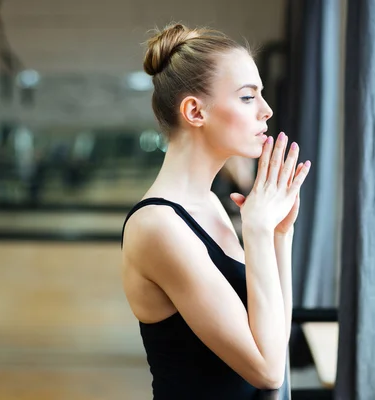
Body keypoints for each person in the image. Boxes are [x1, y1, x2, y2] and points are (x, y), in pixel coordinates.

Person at [120, 23, 311, 400]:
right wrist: (255, 231)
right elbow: (268, 371)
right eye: (247, 97)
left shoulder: (208, 204)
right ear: (194, 111)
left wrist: (278, 235)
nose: (266, 110)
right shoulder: (157, 226)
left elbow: (273, 338)